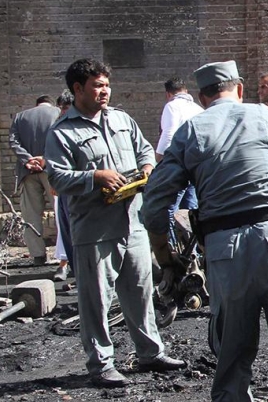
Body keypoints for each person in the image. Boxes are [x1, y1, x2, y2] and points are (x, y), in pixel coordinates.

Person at [142, 60, 268, 402]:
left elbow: (155, 201)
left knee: (232, 354)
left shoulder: (192, 131)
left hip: (225, 250)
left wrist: (164, 254)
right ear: (240, 89)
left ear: (202, 97)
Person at [44, 59, 185, 388]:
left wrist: (148, 167)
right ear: (78, 89)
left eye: (106, 84)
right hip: (94, 230)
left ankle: (150, 352)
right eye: (97, 85)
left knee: (140, 292)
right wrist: (95, 176)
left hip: (132, 224)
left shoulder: (122, 119)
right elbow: (57, 178)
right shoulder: (63, 133)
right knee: (97, 300)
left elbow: (144, 150)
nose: (104, 91)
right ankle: (101, 364)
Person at [8, 94, 61, 266]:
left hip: (27, 171)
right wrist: (44, 159)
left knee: (30, 214)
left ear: (36, 104)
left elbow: (13, 141)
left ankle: (38, 255)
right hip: (53, 170)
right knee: (61, 212)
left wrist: (28, 160)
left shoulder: (20, 116)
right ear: (50, 103)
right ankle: (64, 255)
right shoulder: (58, 113)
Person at [155, 77, 203, 242]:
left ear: (168, 94)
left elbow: (169, 133)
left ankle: (173, 247)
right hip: (196, 166)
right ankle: (194, 251)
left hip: (177, 165)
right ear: (186, 91)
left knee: (169, 208)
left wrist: (159, 158)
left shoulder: (172, 106)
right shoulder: (197, 108)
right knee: (191, 210)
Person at [52, 90, 75, 281]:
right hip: (67, 189)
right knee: (66, 230)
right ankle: (69, 266)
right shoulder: (59, 127)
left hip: (85, 189)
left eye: (65, 108)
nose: (62, 112)